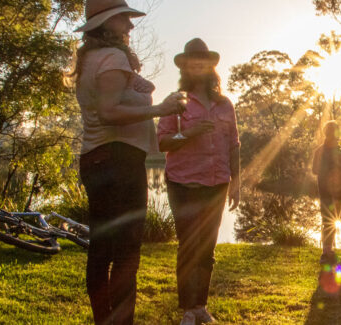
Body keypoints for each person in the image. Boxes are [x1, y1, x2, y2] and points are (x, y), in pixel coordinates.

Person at [69, 1, 186, 324]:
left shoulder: (90, 60)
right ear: (106, 25)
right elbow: (109, 112)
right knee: (126, 253)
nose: (131, 27)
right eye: (124, 19)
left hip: (96, 158)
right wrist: (159, 109)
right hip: (118, 160)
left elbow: (111, 103)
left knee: (102, 248)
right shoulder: (113, 57)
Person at [157, 38, 240, 325]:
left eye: (202, 63)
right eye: (192, 64)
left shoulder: (225, 104)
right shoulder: (176, 101)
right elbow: (162, 142)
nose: (197, 67)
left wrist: (236, 181)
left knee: (207, 249)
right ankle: (187, 309)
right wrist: (189, 134)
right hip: (183, 183)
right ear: (186, 68)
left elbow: (234, 145)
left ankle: (201, 306)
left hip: (217, 183)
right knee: (188, 246)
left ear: (210, 67)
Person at [312, 121, 341, 264]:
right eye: (336, 131)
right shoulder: (320, 151)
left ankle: (329, 249)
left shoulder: (340, 150)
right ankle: (326, 252)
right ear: (330, 133)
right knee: (328, 220)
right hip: (326, 192)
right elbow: (314, 170)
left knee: (339, 217)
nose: (338, 134)